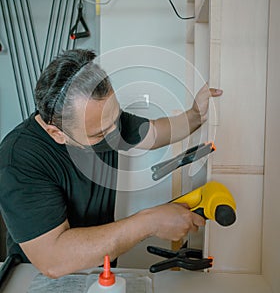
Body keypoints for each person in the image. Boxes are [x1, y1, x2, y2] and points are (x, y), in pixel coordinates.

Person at [0, 49, 222, 278]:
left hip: (98, 271)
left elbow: (154, 133)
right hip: (37, 280)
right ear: (56, 133)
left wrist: (196, 114)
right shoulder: (18, 160)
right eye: (100, 133)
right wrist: (150, 222)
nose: (114, 133)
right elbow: (53, 260)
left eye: (115, 120)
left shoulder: (104, 121)